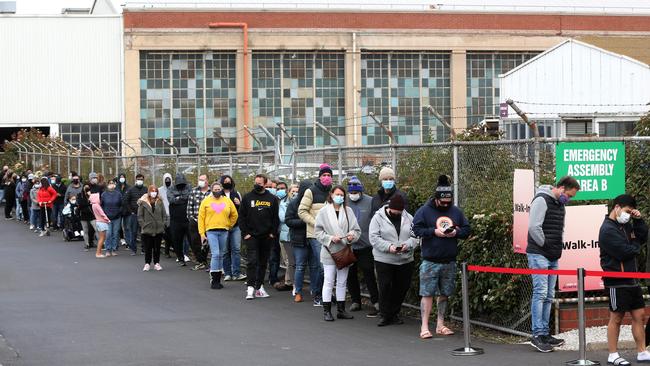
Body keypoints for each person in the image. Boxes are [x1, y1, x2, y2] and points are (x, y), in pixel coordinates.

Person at [412, 175, 471, 340]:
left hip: (449, 260)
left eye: (448, 203)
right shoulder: (424, 211)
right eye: (442, 203)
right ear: (436, 199)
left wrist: (456, 232)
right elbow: (415, 229)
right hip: (430, 260)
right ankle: (424, 326)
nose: (445, 205)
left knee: (445, 293)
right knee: (427, 293)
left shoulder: (455, 211)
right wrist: (433, 232)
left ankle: (440, 324)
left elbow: (467, 230)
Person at [526, 176, 580, 352]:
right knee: (540, 292)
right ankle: (537, 334)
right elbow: (534, 227)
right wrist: (546, 245)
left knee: (549, 294)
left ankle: (544, 332)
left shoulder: (559, 204)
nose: (569, 199)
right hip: (539, 253)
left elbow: (558, 229)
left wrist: (555, 248)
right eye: (569, 195)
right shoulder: (542, 199)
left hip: (552, 254)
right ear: (562, 188)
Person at [599, 195, 650, 365]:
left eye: (630, 212)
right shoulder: (607, 229)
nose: (628, 215)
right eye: (627, 211)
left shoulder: (626, 225)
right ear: (617, 207)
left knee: (639, 315)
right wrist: (635, 246)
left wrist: (639, 220)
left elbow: (642, 237)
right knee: (617, 317)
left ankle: (642, 351)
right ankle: (612, 354)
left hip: (632, 279)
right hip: (616, 281)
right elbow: (624, 252)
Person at [369, 194, 418, 326]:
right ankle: (384, 314)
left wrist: (406, 245)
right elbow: (373, 237)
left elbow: (415, 237)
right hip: (384, 259)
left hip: (405, 259)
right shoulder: (377, 218)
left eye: (400, 212)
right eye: (394, 212)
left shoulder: (409, 218)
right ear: (389, 208)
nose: (397, 214)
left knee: (401, 287)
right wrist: (388, 247)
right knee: (385, 286)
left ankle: (394, 313)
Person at [314, 185, 361, 322]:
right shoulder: (323, 212)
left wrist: (352, 235)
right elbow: (318, 232)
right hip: (329, 251)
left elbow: (356, 230)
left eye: (342, 195)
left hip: (345, 250)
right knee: (328, 281)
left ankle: (341, 309)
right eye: (337, 194)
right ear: (331, 194)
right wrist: (329, 238)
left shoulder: (348, 211)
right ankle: (327, 310)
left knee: (342, 282)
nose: (340, 197)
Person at [239, 174, 280, 300]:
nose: (257, 185)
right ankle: (250, 287)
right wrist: (245, 233)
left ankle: (259, 286)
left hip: (266, 236)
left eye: (260, 183)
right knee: (252, 261)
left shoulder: (272, 199)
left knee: (263, 262)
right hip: (251, 236)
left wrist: (272, 233)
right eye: (256, 182)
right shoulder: (247, 197)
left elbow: (275, 218)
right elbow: (241, 217)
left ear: (265, 184)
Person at [298, 163, 334, 306]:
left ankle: (328, 294)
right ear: (319, 177)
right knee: (322, 265)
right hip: (315, 234)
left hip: (332, 235)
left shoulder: (333, 192)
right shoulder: (311, 191)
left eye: (329, 175)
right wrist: (316, 223)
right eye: (324, 175)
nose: (327, 177)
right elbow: (302, 211)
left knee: (331, 265)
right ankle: (318, 295)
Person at [346, 176, 380, 317]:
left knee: (368, 273)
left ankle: (376, 301)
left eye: (356, 192)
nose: (353, 195)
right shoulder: (344, 202)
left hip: (366, 245)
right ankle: (355, 301)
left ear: (361, 191)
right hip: (348, 246)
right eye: (351, 192)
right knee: (350, 274)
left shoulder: (370, 201)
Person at [198, 181, 238, 289]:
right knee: (215, 254)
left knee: (221, 254)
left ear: (221, 189)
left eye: (218, 189)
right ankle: (214, 278)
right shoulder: (206, 201)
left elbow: (234, 214)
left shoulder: (227, 200)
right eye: (215, 189)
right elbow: (201, 218)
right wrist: (202, 233)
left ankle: (218, 278)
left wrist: (229, 225)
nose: (217, 191)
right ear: (211, 190)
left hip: (224, 231)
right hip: (211, 231)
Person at [285, 180, 313, 303]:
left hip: (313, 238)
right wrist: (304, 221)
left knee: (315, 266)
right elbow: (288, 221)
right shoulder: (294, 203)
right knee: (300, 266)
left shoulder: (314, 203)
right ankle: (298, 292)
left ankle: (316, 290)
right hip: (299, 239)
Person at [220, 175, 246, 281]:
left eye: (229, 181)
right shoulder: (218, 195)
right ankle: (227, 273)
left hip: (236, 226)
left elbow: (242, 210)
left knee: (236, 249)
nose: (227, 183)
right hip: (223, 226)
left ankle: (236, 273)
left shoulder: (236, 193)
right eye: (225, 181)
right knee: (225, 250)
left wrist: (239, 204)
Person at [138, 185, 167, 271]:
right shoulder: (143, 202)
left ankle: (156, 263)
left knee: (157, 247)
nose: (154, 193)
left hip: (158, 228)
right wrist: (143, 225)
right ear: (149, 192)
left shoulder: (160, 202)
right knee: (148, 247)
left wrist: (163, 224)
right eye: (152, 191)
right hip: (147, 229)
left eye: (155, 191)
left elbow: (164, 214)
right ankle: (147, 263)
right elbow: (140, 215)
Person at [187, 174, 211, 271]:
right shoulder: (194, 191)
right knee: (195, 242)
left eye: (202, 179)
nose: (200, 181)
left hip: (208, 222)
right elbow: (189, 207)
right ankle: (200, 261)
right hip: (195, 220)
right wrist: (192, 218)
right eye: (199, 179)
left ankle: (204, 260)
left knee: (206, 242)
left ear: (207, 181)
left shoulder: (211, 193)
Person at [167, 173, 192, 266]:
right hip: (175, 220)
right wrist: (183, 198)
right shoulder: (170, 189)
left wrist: (178, 198)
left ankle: (199, 259)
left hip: (187, 218)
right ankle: (180, 258)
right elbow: (171, 200)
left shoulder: (189, 187)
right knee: (176, 240)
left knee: (192, 239)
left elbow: (190, 197)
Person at [276, 182, 296, 291]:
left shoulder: (300, 204)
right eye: (293, 191)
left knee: (293, 261)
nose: (295, 194)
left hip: (296, 235)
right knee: (287, 260)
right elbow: (283, 218)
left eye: (297, 191)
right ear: (288, 192)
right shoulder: (283, 204)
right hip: (285, 235)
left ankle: (290, 282)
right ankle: (289, 281)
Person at [123, 173, 148, 255]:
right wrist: (131, 211)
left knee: (144, 232)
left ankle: (144, 249)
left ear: (143, 180)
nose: (140, 181)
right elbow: (126, 201)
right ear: (136, 180)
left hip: (144, 214)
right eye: (138, 179)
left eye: (141, 179)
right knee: (133, 232)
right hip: (134, 214)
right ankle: (133, 249)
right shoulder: (131, 189)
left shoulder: (146, 189)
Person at [101, 179, 122, 257]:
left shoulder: (118, 194)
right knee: (108, 234)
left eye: (112, 183)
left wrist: (119, 212)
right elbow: (101, 205)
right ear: (107, 185)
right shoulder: (104, 194)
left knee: (115, 233)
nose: (111, 184)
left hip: (117, 217)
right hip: (107, 218)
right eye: (110, 183)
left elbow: (121, 205)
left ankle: (114, 249)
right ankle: (108, 249)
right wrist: (104, 215)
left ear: (115, 185)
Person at [90, 193, 109, 259]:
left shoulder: (93, 205)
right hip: (102, 222)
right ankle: (98, 253)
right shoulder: (97, 205)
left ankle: (99, 252)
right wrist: (108, 220)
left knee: (101, 238)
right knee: (102, 238)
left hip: (98, 222)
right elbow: (102, 213)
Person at [158, 173, 173, 258]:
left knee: (170, 234)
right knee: (164, 233)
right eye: (166, 180)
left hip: (172, 214)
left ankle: (167, 251)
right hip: (163, 215)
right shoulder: (159, 190)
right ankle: (163, 250)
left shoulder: (174, 189)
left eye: (169, 180)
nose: (167, 182)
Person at [77, 185, 95, 251]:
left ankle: (101, 243)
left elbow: (94, 202)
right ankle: (86, 244)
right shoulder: (80, 195)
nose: (87, 189)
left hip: (91, 214)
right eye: (85, 187)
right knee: (85, 230)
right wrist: (88, 202)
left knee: (96, 228)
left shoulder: (92, 194)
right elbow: (80, 204)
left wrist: (90, 196)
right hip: (83, 214)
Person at [116, 173, 129, 248]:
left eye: (123, 177)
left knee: (127, 227)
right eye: (120, 177)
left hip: (127, 210)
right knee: (118, 227)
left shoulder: (128, 187)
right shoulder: (116, 188)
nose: (122, 178)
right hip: (118, 210)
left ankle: (127, 242)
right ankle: (120, 239)